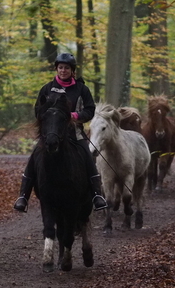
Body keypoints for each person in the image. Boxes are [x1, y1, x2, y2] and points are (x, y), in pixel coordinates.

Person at [13, 52, 108, 213]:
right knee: (35, 156)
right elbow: (38, 110)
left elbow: (90, 110)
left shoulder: (81, 89)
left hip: (74, 132)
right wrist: (50, 118)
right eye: (61, 68)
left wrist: (74, 116)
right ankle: (23, 196)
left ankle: (97, 195)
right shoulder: (47, 88)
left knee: (87, 156)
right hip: (51, 133)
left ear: (72, 70)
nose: (63, 70)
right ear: (57, 69)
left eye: (67, 68)